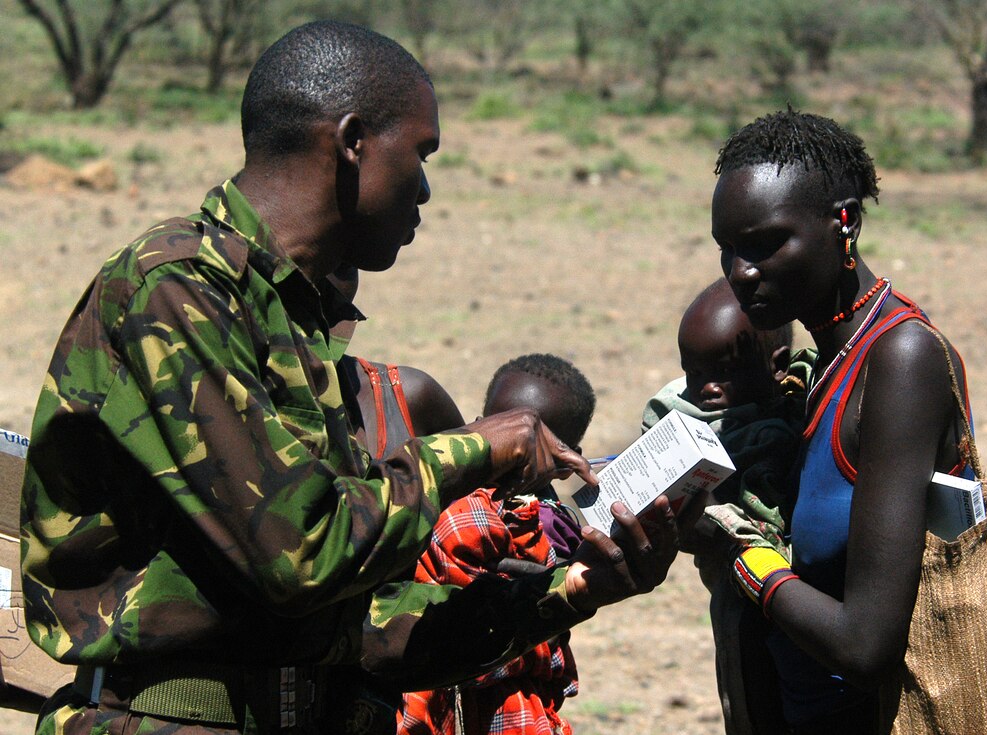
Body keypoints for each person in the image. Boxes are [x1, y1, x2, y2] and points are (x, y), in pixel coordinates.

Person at [20, 21, 678, 735]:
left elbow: (358, 627)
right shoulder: (175, 290)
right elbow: (299, 554)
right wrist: (479, 448)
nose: (424, 188)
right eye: (420, 154)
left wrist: (576, 587)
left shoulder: (294, 319)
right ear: (353, 140)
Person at [710, 109, 987, 733]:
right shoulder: (822, 360)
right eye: (728, 250)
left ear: (844, 222)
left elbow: (865, 645)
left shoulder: (900, 361)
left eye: (765, 243)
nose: (740, 274)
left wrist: (740, 553)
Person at [642, 277, 811, 734]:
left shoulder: (799, 416)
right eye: (694, 374)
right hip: (737, 603)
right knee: (749, 701)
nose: (706, 390)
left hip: (800, 599)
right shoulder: (693, 423)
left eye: (722, 374)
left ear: (778, 366)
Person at [399, 353, 593, 735]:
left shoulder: (552, 528)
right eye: (505, 433)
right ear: (477, 429)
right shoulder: (444, 494)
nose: (518, 454)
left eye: (539, 449)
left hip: (504, 698)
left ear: (568, 461)